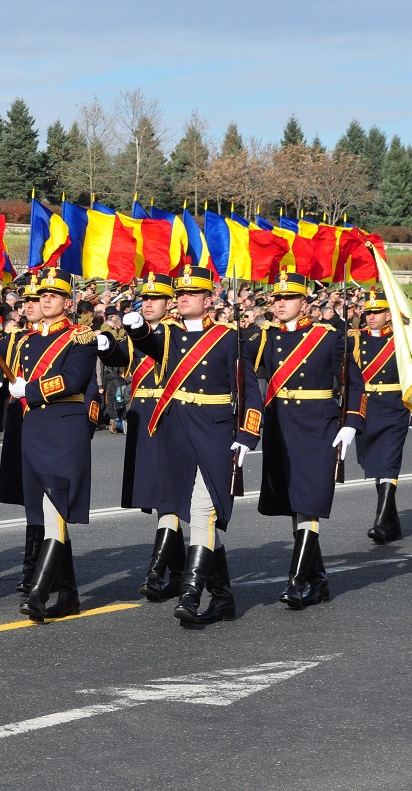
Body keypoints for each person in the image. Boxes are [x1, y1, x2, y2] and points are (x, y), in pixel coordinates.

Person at [127, 267, 263, 624]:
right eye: (180, 293)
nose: (183, 297)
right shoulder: (168, 335)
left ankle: (190, 593)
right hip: (177, 434)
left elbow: (249, 391)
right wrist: (135, 324)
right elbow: (148, 344)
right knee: (192, 515)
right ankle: (223, 596)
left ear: (208, 300)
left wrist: (247, 437)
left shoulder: (227, 338)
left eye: (192, 293)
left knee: (204, 512)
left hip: (215, 434)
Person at [249, 271, 365, 610]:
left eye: (288, 299)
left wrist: (351, 423)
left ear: (304, 303)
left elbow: (354, 383)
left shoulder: (328, 338)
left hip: (318, 428)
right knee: (294, 501)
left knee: (309, 499)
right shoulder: (265, 338)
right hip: (281, 428)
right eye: (277, 299)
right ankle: (319, 579)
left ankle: (297, 580)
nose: (280, 304)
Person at [6, 267, 99, 621]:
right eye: (41, 295)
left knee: (55, 509)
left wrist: (29, 390)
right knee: (44, 514)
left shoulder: (82, 338)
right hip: (34, 430)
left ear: (68, 302)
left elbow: (74, 380)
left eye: (53, 295)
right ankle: (70, 594)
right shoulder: (27, 340)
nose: (45, 299)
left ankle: (39, 592)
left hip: (64, 429)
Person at [101, 273, 186, 602]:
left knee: (168, 496)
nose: (147, 303)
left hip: (167, 417)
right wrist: (106, 347)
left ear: (170, 303)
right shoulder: (140, 334)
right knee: (158, 496)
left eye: (156, 299)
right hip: (141, 418)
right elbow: (123, 358)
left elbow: (154, 347)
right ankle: (178, 574)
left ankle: (156, 571)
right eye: (144, 298)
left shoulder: (174, 333)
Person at [352, 287, 412, 545]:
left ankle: (380, 522)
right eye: (368, 312)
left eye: (377, 312)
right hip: (366, 407)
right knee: (373, 464)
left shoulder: (402, 341)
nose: (371, 317)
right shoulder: (356, 340)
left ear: (388, 314)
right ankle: (393, 524)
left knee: (388, 462)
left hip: (393, 407)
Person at [0, 275, 42, 592]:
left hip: (52, 424)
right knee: (31, 500)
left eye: (34, 300)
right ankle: (33, 567)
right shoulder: (15, 339)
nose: (28, 305)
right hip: (21, 423)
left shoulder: (73, 337)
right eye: (24, 300)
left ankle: (41, 569)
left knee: (50, 500)